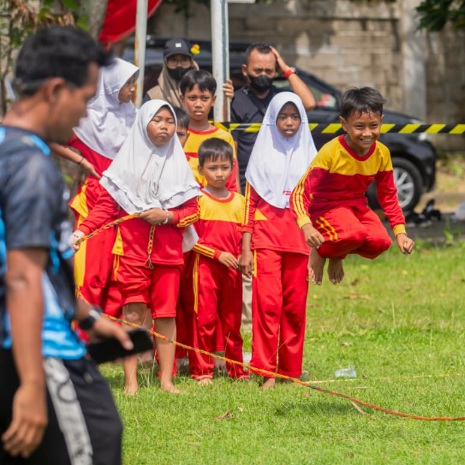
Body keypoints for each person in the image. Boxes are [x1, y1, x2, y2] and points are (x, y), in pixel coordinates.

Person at [0, 26, 131, 465]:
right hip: (42, 354)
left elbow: (32, 262)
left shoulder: (7, 151)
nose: (85, 112)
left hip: (20, 342)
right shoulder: (31, 167)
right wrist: (34, 386)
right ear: (55, 91)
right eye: (83, 97)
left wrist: (89, 317)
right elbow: (21, 275)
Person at [71, 100, 201, 394]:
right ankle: (131, 381)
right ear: (143, 124)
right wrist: (81, 231)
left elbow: (193, 212)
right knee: (132, 313)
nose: (165, 127)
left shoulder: (178, 166)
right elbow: (104, 208)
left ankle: (166, 379)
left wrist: (166, 216)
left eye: (170, 121)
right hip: (131, 254)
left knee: (166, 315)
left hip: (168, 257)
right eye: (157, 120)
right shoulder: (123, 167)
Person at [290, 87, 414, 285]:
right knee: (353, 234)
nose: (367, 133)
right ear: (344, 124)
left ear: (381, 121)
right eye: (359, 126)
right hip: (324, 207)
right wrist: (307, 226)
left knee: (380, 243)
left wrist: (401, 233)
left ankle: (338, 253)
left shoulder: (382, 153)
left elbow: (389, 196)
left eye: (373, 125)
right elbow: (299, 193)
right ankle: (321, 251)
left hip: (356, 207)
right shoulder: (331, 152)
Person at [239, 92, 317, 388]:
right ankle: (266, 371)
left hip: (300, 238)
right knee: (267, 304)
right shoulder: (261, 155)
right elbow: (249, 204)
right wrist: (246, 247)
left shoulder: (311, 156)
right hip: (266, 238)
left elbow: (318, 205)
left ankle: (290, 371)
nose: (289, 123)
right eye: (282, 117)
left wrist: (319, 251)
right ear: (271, 119)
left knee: (295, 307)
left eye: (294, 117)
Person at [50, 57, 138, 319]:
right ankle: (84, 334)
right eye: (128, 84)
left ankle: (109, 334)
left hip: (127, 201)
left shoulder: (133, 116)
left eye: (133, 83)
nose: (133, 89)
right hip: (96, 201)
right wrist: (81, 161)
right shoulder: (86, 121)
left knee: (118, 269)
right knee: (92, 271)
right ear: (111, 86)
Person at [175, 139, 246, 383]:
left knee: (232, 321)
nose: (219, 173)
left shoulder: (240, 202)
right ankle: (202, 370)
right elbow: (190, 239)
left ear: (232, 168)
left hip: (232, 271)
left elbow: (246, 236)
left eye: (224, 167)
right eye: (213, 168)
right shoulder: (197, 200)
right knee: (203, 320)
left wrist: (243, 256)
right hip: (204, 269)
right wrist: (217, 254)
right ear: (201, 169)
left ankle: (237, 370)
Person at [223, 42, 316, 191]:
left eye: (269, 71)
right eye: (258, 70)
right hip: (249, 184)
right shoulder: (236, 101)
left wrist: (286, 70)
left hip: (283, 183)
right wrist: (237, 192)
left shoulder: (283, 97)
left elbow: (309, 103)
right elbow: (232, 150)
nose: (263, 75)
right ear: (245, 70)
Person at [180, 70, 239, 191]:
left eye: (204, 98)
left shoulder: (223, 137)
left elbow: (232, 182)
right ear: (182, 99)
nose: (198, 104)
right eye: (192, 98)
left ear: (213, 100)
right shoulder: (176, 136)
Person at [145, 37, 199, 109]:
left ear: (191, 62)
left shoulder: (205, 92)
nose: (179, 65)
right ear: (166, 63)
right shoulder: (153, 96)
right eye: (173, 60)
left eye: (184, 60)